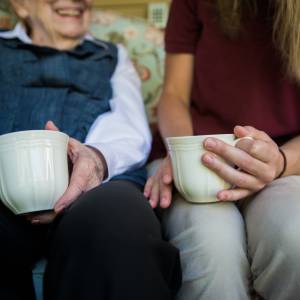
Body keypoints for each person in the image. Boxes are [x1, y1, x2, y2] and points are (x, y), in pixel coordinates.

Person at [0, 1, 182, 299]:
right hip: (3, 190)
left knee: (119, 222)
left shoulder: (111, 55)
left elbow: (129, 125)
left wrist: (95, 159)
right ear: (21, 5)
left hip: (99, 186)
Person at [144, 0, 300, 299]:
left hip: (285, 165)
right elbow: (174, 95)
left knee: (295, 237)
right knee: (211, 247)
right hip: (196, 156)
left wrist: (280, 162)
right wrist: (181, 154)